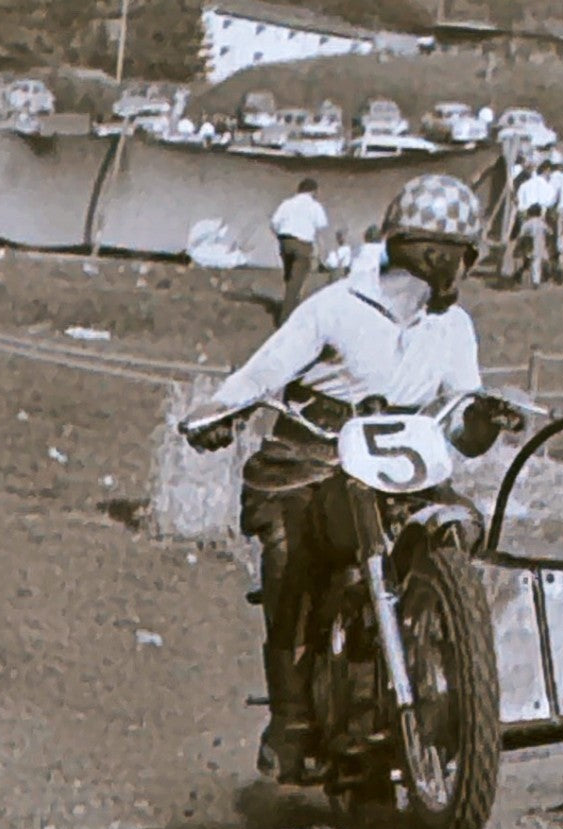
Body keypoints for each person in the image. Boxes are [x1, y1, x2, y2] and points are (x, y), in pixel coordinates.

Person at [180, 175, 520, 780]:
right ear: (436, 254)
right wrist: (216, 414)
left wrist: (486, 417)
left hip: (398, 471)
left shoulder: (453, 326)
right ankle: (290, 719)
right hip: (309, 463)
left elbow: (464, 420)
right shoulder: (336, 307)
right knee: (289, 555)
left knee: (457, 530)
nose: (467, 268)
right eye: (465, 253)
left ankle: (446, 658)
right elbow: (262, 373)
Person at [270, 178, 329, 326]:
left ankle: (290, 308)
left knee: (290, 278)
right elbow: (322, 224)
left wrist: (281, 237)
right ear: (314, 191)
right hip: (302, 244)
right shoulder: (315, 206)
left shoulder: (287, 203)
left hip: (285, 241)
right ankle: (285, 322)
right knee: (295, 284)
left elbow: (274, 222)